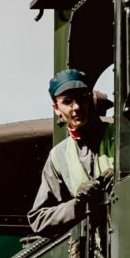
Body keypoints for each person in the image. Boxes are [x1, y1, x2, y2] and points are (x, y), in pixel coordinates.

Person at [27, 68, 115, 235]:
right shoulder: (58, 156)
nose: (76, 107)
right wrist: (77, 205)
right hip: (97, 255)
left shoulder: (118, 135)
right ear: (56, 108)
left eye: (82, 99)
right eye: (67, 101)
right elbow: (38, 219)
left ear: (90, 99)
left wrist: (121, 178)